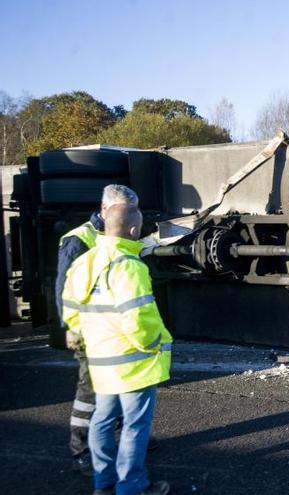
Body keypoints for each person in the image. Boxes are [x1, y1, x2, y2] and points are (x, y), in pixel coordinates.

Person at [62, 203, 172, 495]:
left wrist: (88, 334)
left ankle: (104, 482)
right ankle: (132, 486)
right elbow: (138, 316)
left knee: (102, 419)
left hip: (101, 359)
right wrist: (151, 345)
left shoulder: (85, 262)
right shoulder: (129, 266)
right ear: (134, 230)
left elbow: (70, 310)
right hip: (133, 362)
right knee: (135, 427)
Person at [57, 184, 140, 476]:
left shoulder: (112, 235)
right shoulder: (79, 239)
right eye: (124, 210)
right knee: (89, 392)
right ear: (105, 209)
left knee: (114, 388)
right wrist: (72, 328)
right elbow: (64, 290)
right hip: (90, 331)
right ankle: (81, 448)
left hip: (112, 332)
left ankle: (121, 440)